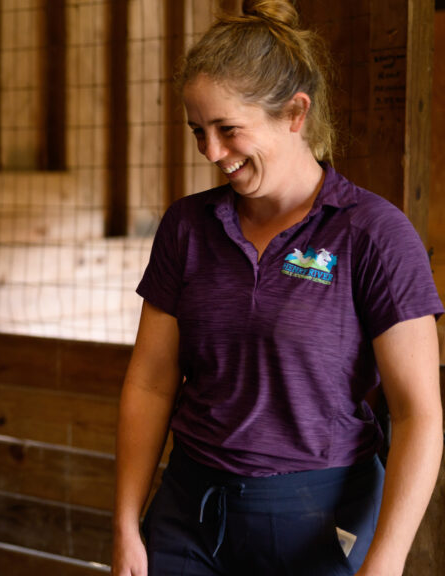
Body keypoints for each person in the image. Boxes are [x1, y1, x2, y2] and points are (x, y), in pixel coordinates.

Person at [112, 1, 443, 575]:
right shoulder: (187, 227)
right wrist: (124, 525)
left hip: (318, 512)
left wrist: (384, 566)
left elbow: (419, 416)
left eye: (228, 130)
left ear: (295, 113)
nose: (211, 153)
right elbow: (150, 381)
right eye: (198, 131)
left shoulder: (373, 234)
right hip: (188, 508)